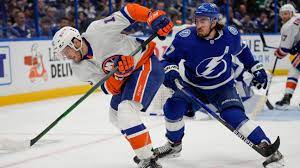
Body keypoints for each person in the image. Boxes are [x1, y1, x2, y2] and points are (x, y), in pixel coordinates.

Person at [134, 3, 284, 167]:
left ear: (214, 21)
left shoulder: (230, 35)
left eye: (203, 20)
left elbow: (242, 51)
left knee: (234, 116)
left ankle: (269, 148)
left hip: (223, 88)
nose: (198, 25)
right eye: (196, 20)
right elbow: (168, 60)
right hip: (193, 87)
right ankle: (173, 146)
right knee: (172, 107)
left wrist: (255, 67)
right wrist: (170, 71)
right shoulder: (186, 38)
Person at [52, 3, 173, 168]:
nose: (67, 56)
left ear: (75, 42)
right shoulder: (79, 69)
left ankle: (148, 160)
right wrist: (119, 75)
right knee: (115, 115)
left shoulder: (97, 30)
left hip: (145, 64)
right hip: (126, 78)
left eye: (66, 51)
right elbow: (107, 88)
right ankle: (147, 151)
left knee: (126, 110)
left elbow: (128, 12)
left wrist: (151, 16)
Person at [274, 4, 300, 109]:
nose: (284, 16)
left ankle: (287, 98)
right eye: (282, 14)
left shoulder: (288, 26)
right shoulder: (298, 16)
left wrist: (278, 53)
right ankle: (287, 97)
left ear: (292, 13)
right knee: (294, 69)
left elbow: (284, 49)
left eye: (286, 14)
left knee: (294, 69)